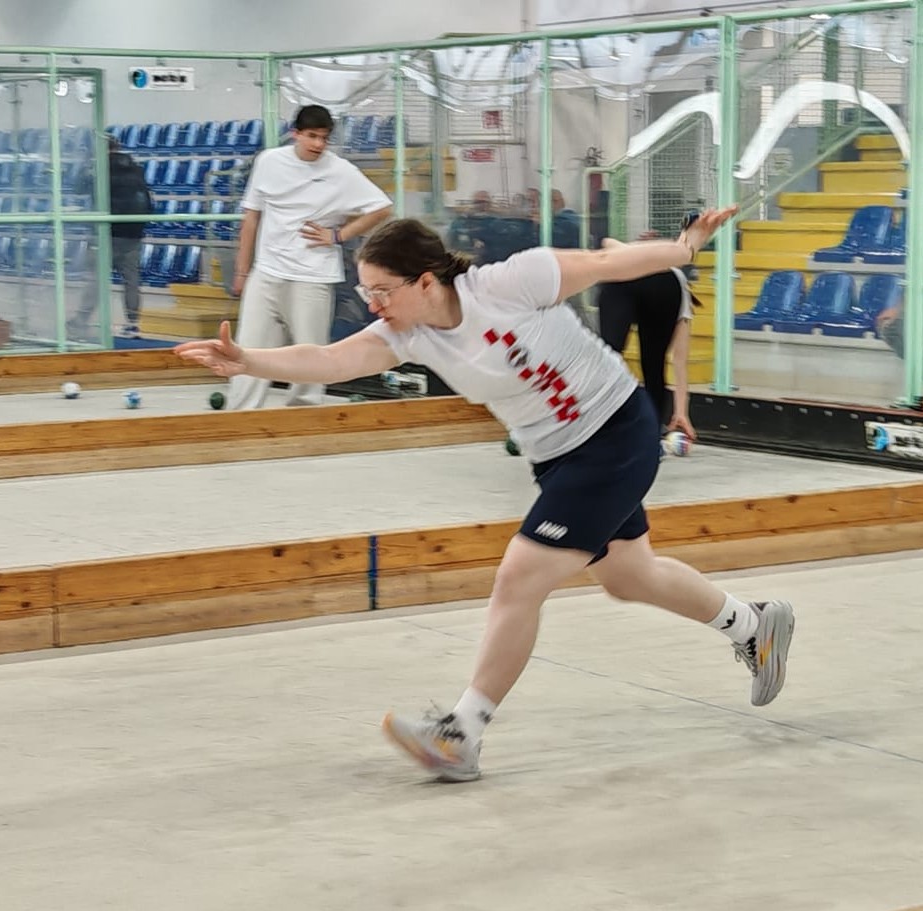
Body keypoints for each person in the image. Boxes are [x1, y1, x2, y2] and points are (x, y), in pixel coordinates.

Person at [174, 207, 795, 783]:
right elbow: (331, 360)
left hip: (614, 430)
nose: (373, 305)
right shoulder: (408, 335)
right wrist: (248, 361)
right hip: (556, 456)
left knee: (519, 577)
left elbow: (606, 263)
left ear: (425, 281)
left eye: (382, 291)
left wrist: (684, 248)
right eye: (366, 293)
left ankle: (461, 734)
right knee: (629, 576)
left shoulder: (508, 283)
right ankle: (753, 624)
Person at [228, 104, 392, 409]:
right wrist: (242, 271)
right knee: (247, 351)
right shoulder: (268, 161)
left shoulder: (341, 171)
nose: (318, 144)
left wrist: (338, 236)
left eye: (324, 138)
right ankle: (239, 416)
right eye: (312, 136)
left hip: (313, 277)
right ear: (296, 134)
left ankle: (305, 417)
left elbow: (382, 208)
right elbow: (251, 218)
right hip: (266, 273)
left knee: (311, 358)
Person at [597, 246, 700, 438]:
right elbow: (679, 362)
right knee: (651, 363)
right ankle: (650, 430)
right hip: (653, 284)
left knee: (612, 355)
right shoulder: (679, 288)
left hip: (631, 280)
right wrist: (680, 412)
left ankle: (608, 423)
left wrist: (681, 413)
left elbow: (679, 362)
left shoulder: (679, 290)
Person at [72, 136, 154, 340]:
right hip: (133, 233)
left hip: (106, 232)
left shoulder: (100, 169)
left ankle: (81, 319)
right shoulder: (135, 168)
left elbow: (78, 187)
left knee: (97, 279)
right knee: (131, 280)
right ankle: (133, 323)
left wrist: (86, 162)